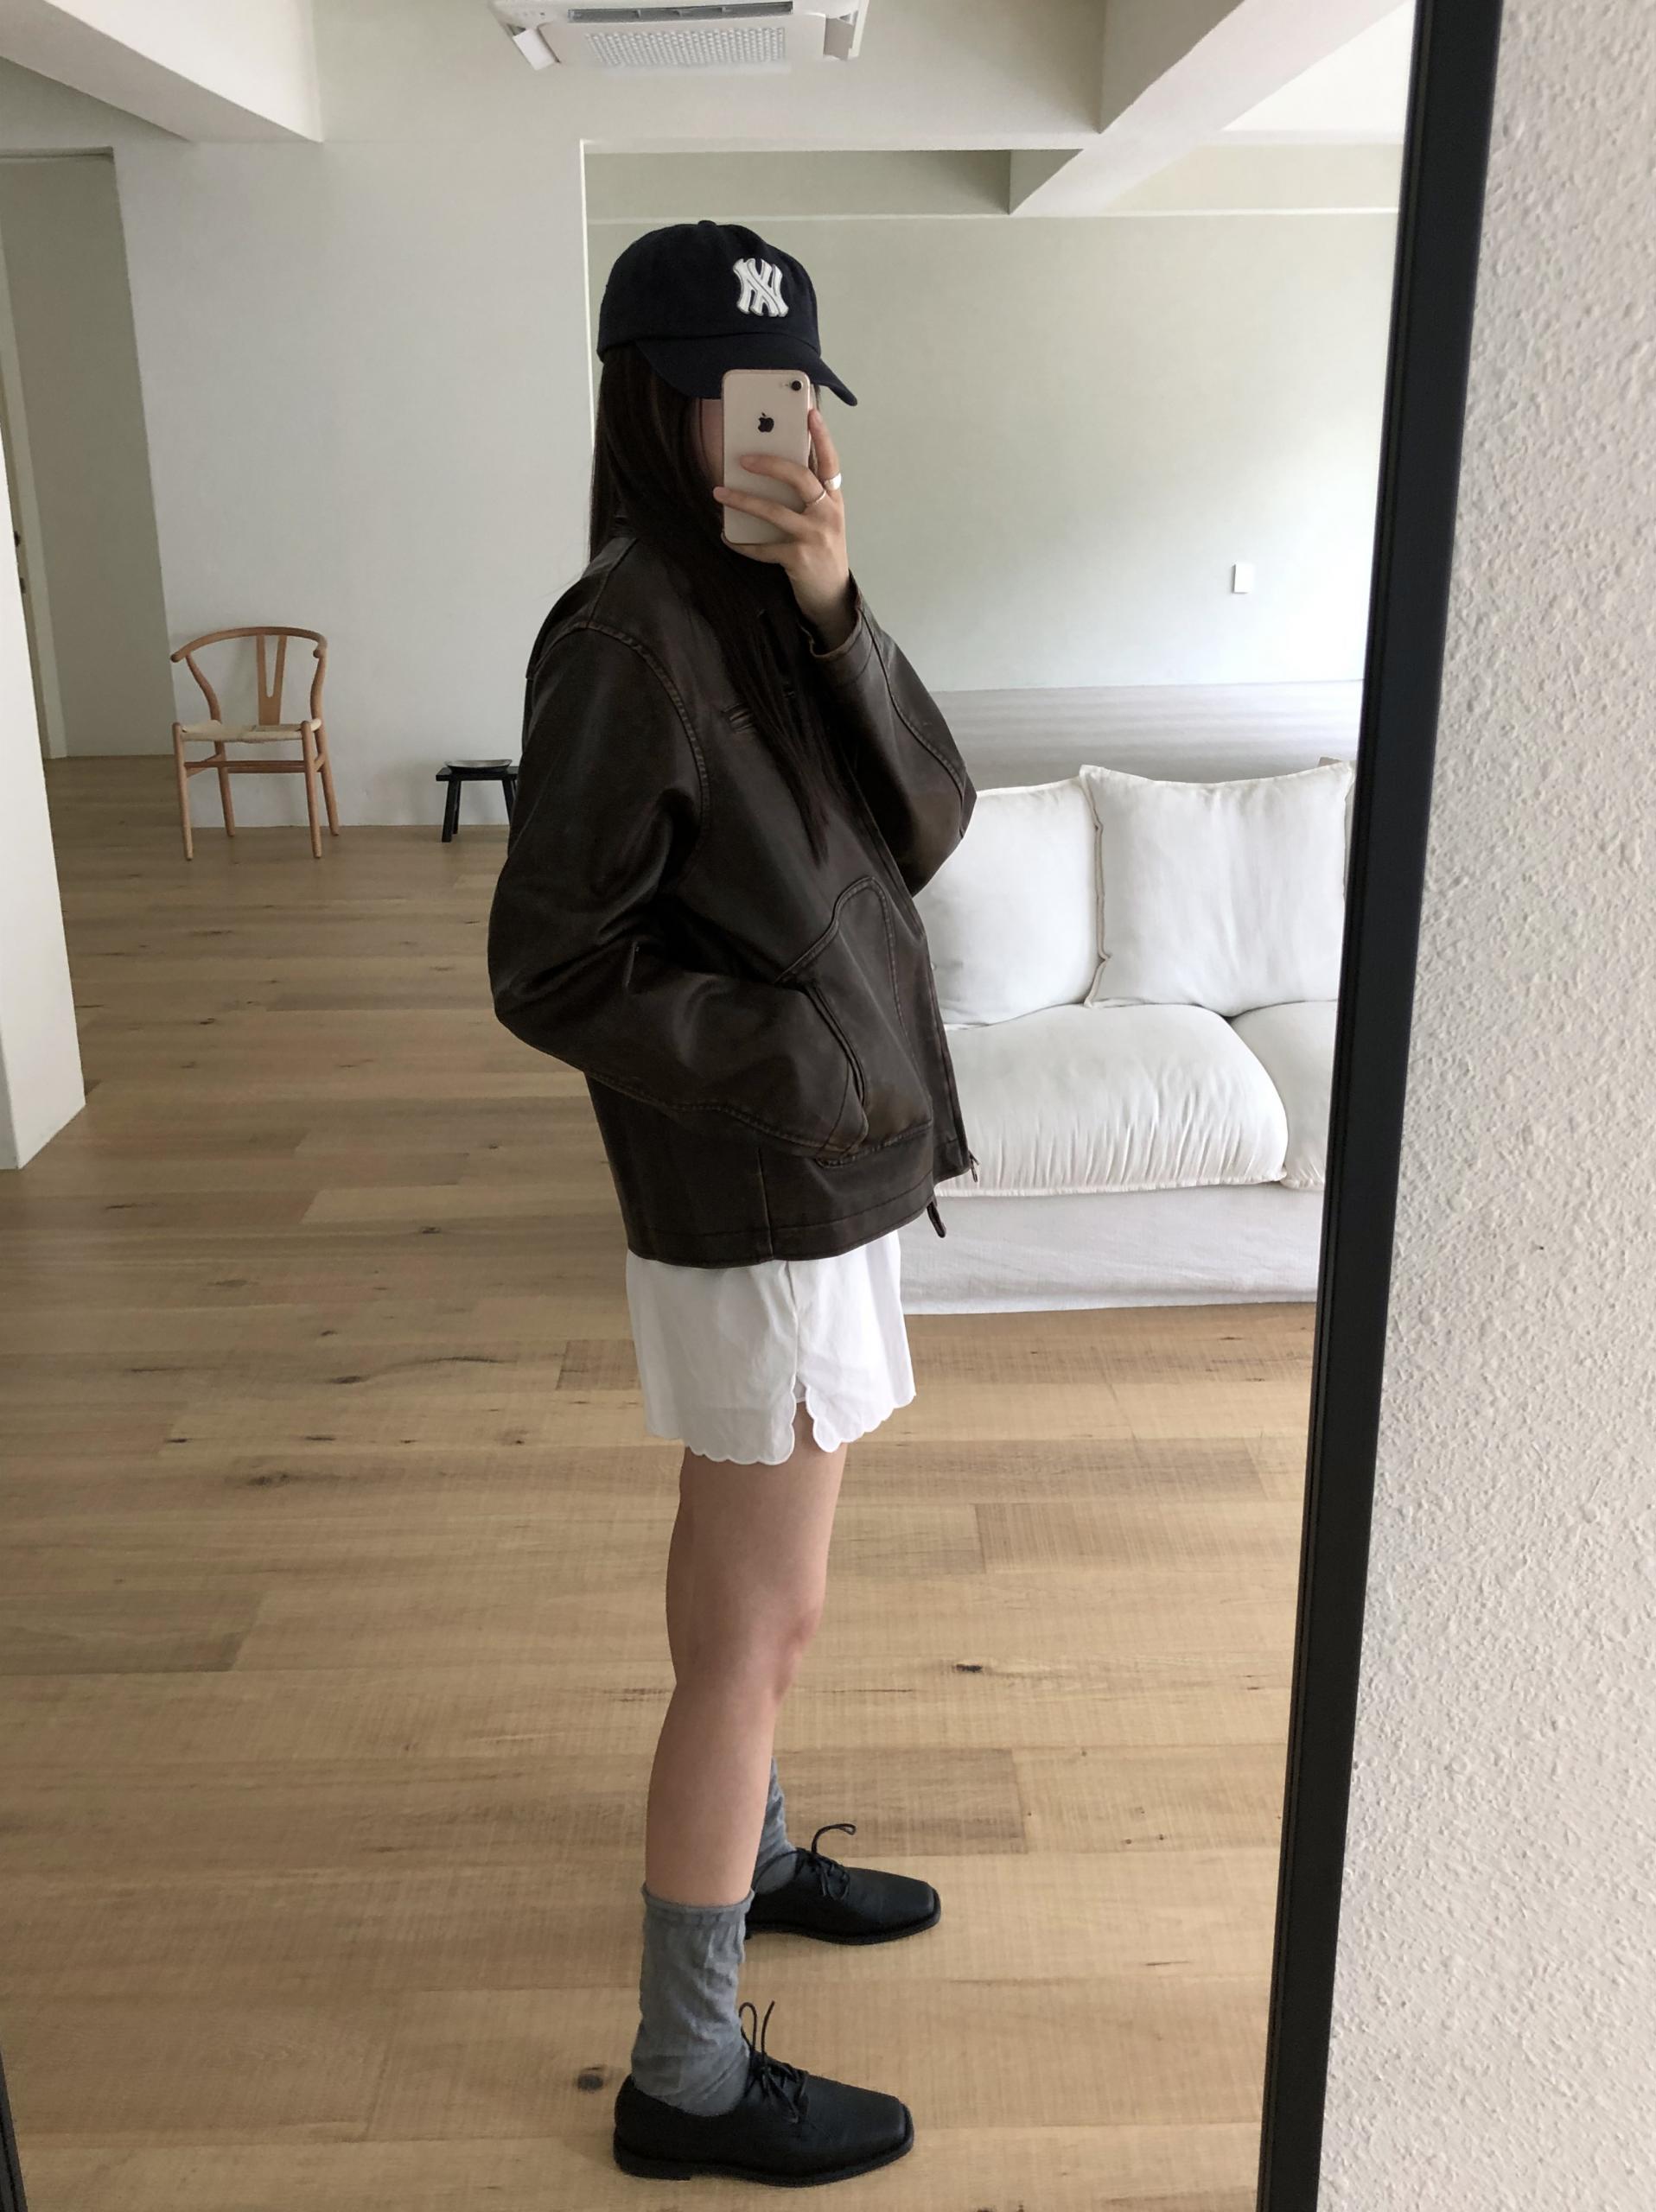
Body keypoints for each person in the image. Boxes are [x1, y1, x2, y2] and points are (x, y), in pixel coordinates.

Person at [487, 219, 976, 2189]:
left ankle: (753, 1854)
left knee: (753, 1601)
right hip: (766, 1189)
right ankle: (683, 2075)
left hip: (818, 1175)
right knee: (753, 1635)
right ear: (652, 401)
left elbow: (928, 822)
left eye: (789, 395)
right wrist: (793, 1062)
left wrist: (839, 600)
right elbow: (550, 962)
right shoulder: (625, 637)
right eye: (730, 394)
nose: (771, 429)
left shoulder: (765, 597)